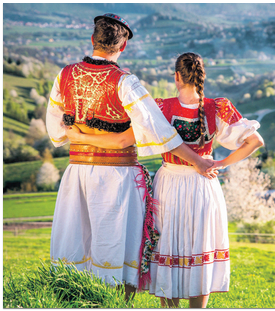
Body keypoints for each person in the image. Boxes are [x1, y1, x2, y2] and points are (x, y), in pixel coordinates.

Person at [65, 52, 264, 308]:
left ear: (176, 77)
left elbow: (124, 140)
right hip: (203, 185)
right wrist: (219, 163)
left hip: (169, 182)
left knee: (166, 247)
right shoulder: (218, 106)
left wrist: (80, 137)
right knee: (198, 246)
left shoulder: (160, 107)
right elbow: (255, 141)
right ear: (201, 77)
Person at [46, 14, 216, 302]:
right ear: (122, 46)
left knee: (77, 241)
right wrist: (198, 161)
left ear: (92, 40)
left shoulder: (64, 75)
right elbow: (159, 131)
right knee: (117, 247)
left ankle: (76, 300)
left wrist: (83, 136)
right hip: (117, 175)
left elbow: (57, 132)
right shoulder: (125, 82)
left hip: (76, 171)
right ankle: (116, 303)